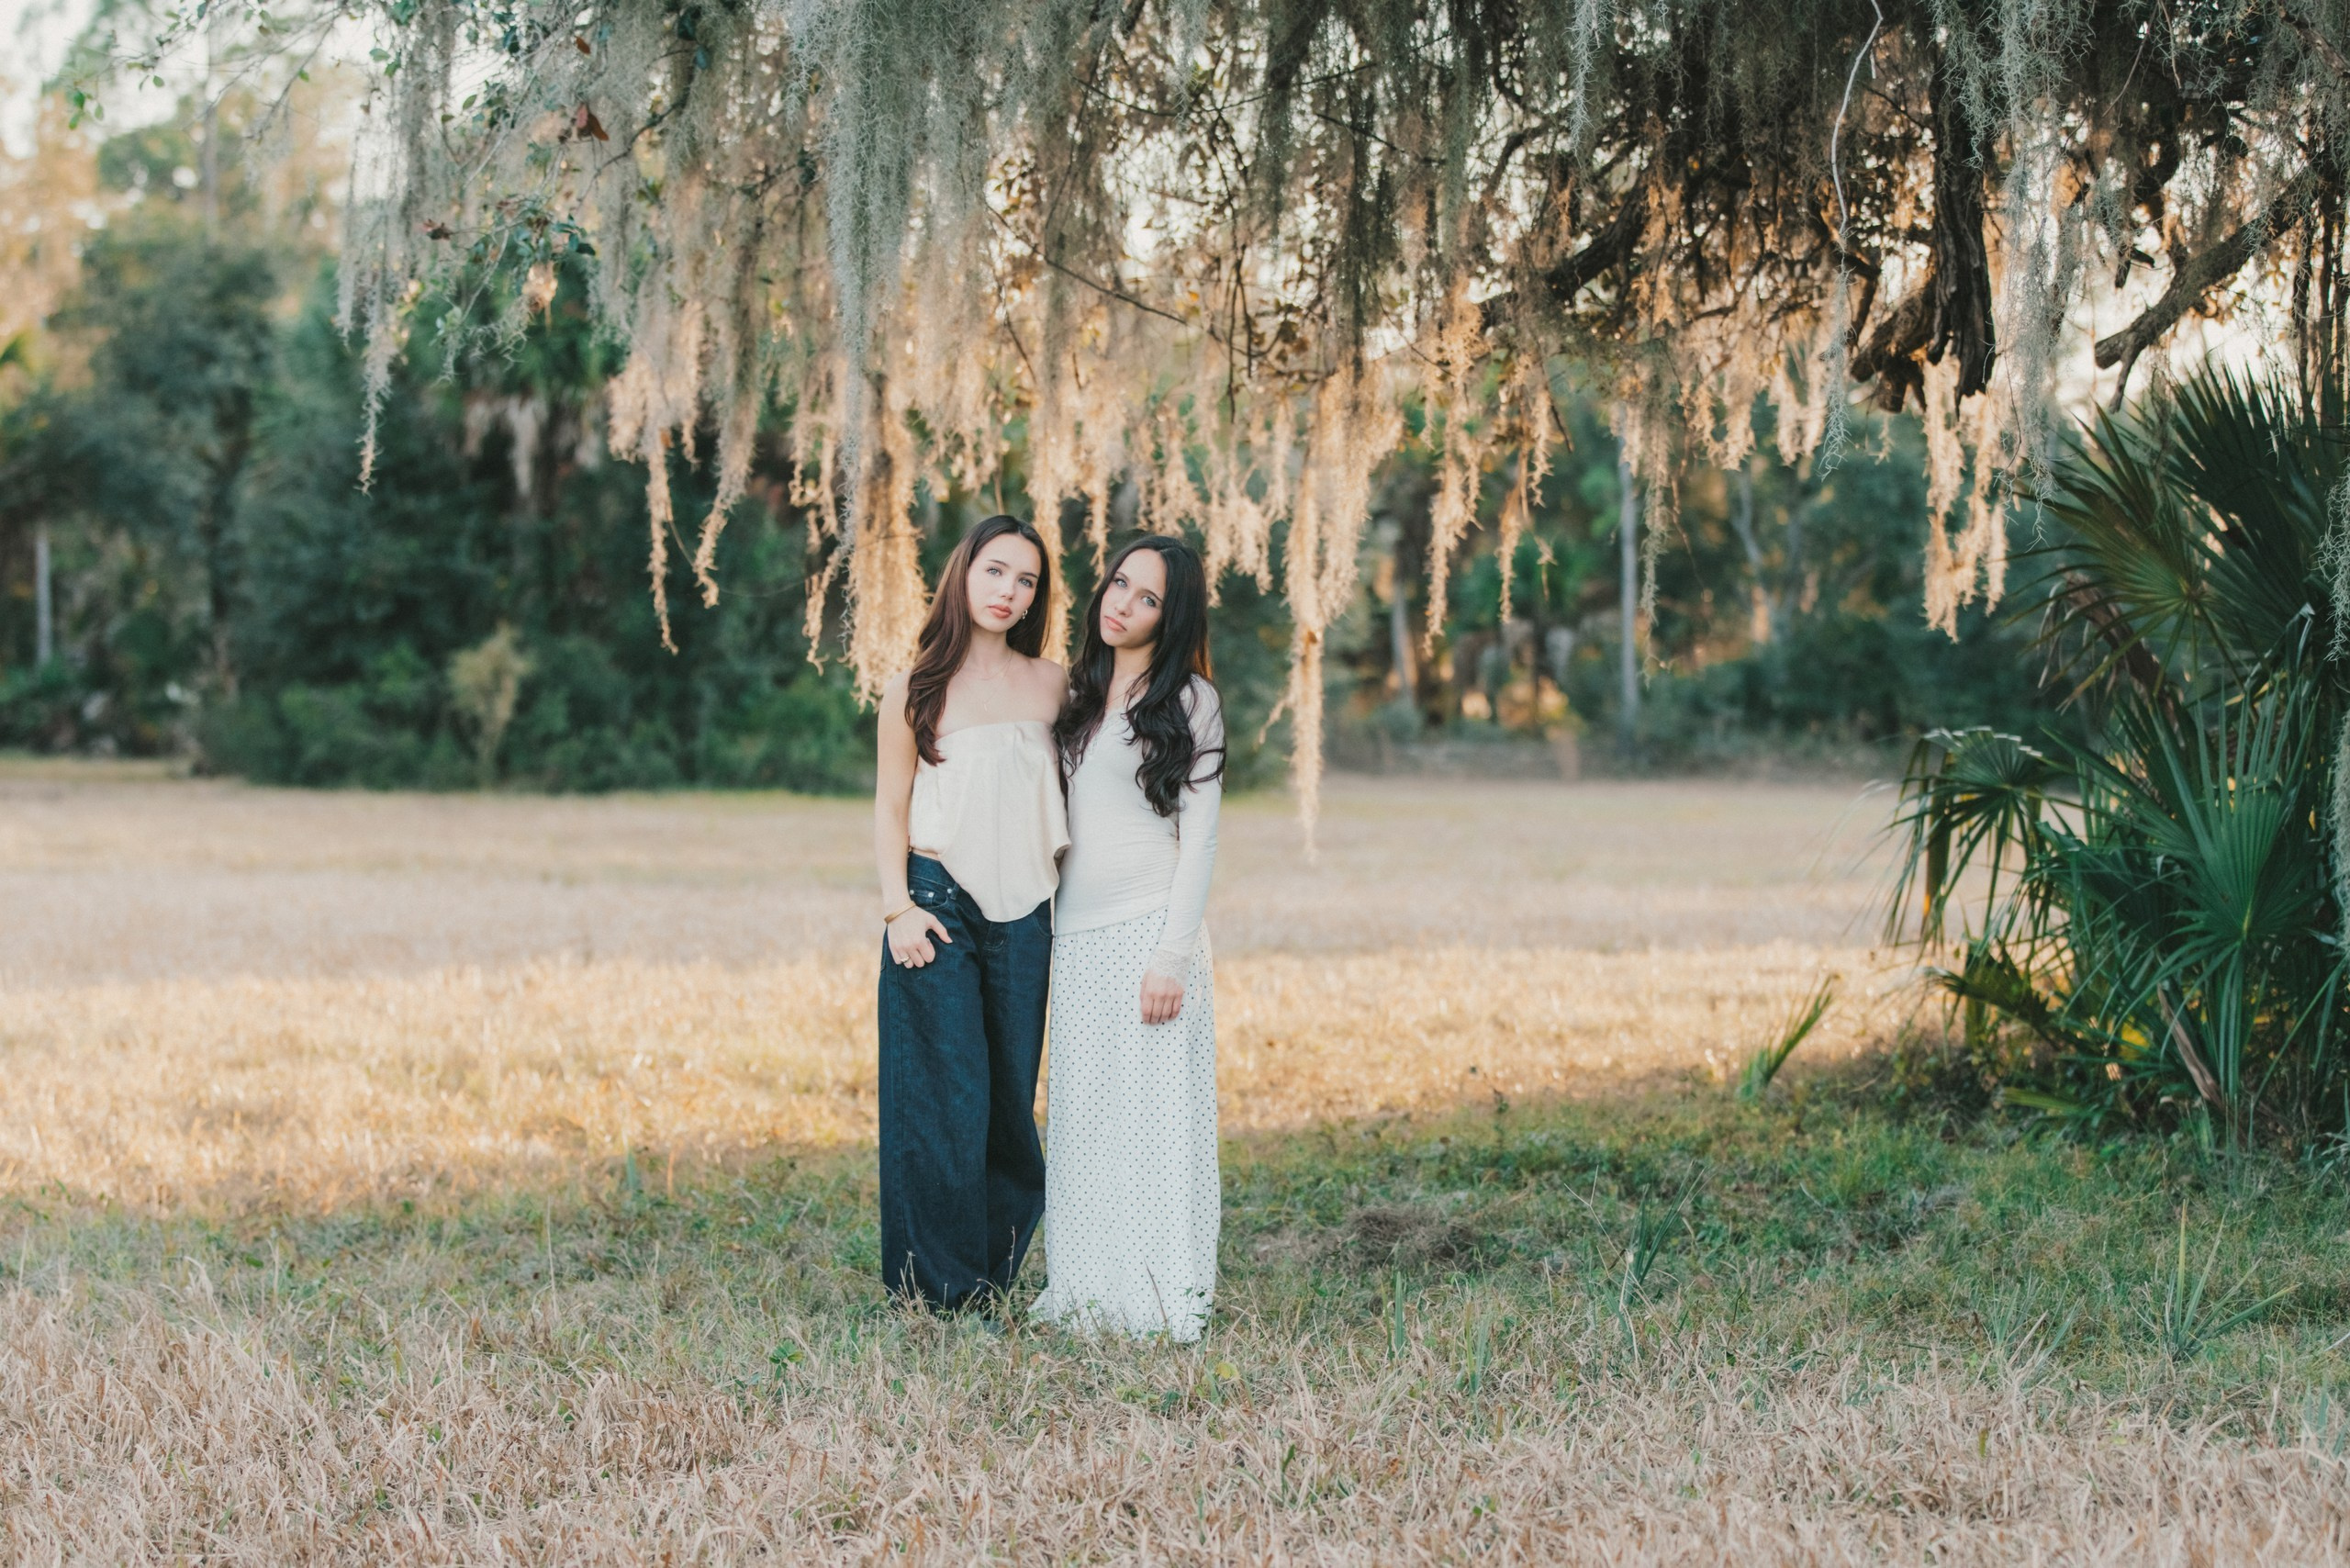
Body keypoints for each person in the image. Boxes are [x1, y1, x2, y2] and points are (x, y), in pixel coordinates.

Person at [872, 514, 1068, 1314]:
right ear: (963, 574)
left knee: (1008, 1106)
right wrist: (897, 911)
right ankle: (932, 1292)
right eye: (995, 571)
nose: (1008, 591)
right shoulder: (914, 686)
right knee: (939, 1100)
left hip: (1028, 914)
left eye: (1025, 580)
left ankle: (987, 1277)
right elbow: (890, 805)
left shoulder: (1056, 684)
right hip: (938, 908)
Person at [1036, 534, 1225, 1341]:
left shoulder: (1191, 701)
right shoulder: (1077, 690)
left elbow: (1202, 838)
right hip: (1073, 937)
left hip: (1150, 933)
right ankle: (1083, 1292)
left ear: (1170, 614)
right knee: (1083, 1122)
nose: (1124, 604)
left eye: (1147, 598)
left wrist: (1170, 958)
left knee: (1152, 1127)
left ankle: (1156, 1296)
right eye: (1119, 584)